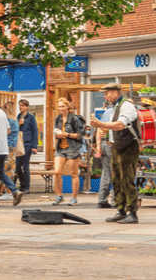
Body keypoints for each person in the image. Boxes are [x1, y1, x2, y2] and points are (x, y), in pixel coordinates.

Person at [88, 82, 141, 224]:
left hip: (129, 146)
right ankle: (121, 211)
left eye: (107, 93)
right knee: (116, 180)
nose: (105, 96)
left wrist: (101, 125)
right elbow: (113, 127)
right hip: (116, 146)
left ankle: (132, 213)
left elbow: (121, 125)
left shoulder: (127, 106)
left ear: (115, 93)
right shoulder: (114, 107)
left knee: (127, 179)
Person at [51, 98, 86, 206]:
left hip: (73, 148)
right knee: (57, 172)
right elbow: (56, 131)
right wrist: (58, 135)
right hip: (61, 148)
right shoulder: (58, 118)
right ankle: (59, 196)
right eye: (59, 106)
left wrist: (67, 135)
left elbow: (80, 135)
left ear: (67, 107)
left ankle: (74, 198)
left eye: (63, 106)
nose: (61, 108)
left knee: (74, 174)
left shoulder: (74, 118)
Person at [15, 99, 38, 194]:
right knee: (17, 167)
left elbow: (35, 132)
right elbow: (14, 130)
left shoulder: (31, 118)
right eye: (20, 105)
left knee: (25, 166)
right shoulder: (17, 117)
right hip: (19, 144)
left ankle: (27, 187)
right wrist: (18, 124)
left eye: (23, 105)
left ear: (27, 107)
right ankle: (22, 184)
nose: (21, 107)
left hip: (27, 144)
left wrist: (34, 146)